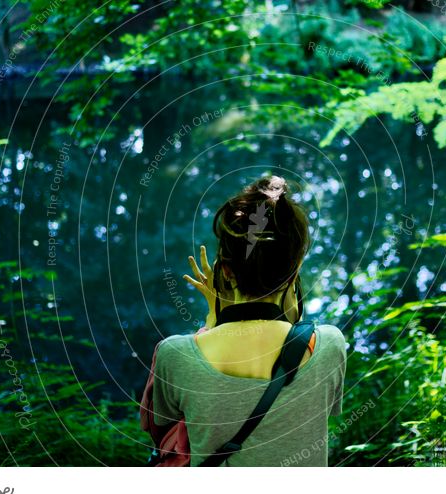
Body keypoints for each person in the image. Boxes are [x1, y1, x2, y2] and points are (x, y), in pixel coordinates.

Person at [141, 176, 347, 466]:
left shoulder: (174, 355)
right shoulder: (329, 346)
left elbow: (159, 428)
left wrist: (214, 318)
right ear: (296, 265)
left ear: (224, 269)